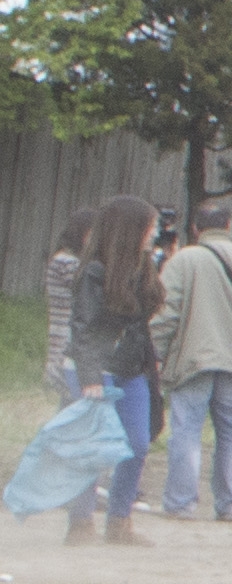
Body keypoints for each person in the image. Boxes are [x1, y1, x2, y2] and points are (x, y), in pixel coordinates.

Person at [54, 196, 161, 546]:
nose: (155, 234)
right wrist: (89, 377)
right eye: (150, 227)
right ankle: (80, 521)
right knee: (91, 446)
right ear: (131, 230)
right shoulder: (93, 272)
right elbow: (83, 327)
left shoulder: (141, 268)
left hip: (131, 367)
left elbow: (142, 324)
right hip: (93, 367)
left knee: (138, 443)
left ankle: (119, 519)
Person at [155, 200, 232, 523]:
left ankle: (181, 503)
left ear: (195, 228)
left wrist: (156, 353)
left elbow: (166, 312)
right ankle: (231, 504)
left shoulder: (183, 260)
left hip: (193, 357)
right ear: (229, 225)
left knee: (187, 431)